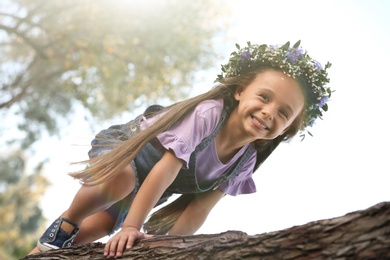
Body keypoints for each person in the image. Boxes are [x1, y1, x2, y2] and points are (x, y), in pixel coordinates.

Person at [29, 40, 332, 257]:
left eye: (283, 113)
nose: (269, 112)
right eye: (264, 97)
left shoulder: (243, 162)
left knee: (91, 234)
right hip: (125, 151)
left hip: (144, 195)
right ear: (240, 91)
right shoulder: (209, 114)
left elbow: (199, 209)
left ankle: (41, 250)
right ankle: (67, 221)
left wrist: (165, 249)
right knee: (120, 182)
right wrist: (132, 226)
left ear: (288, 128)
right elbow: (165, 168)